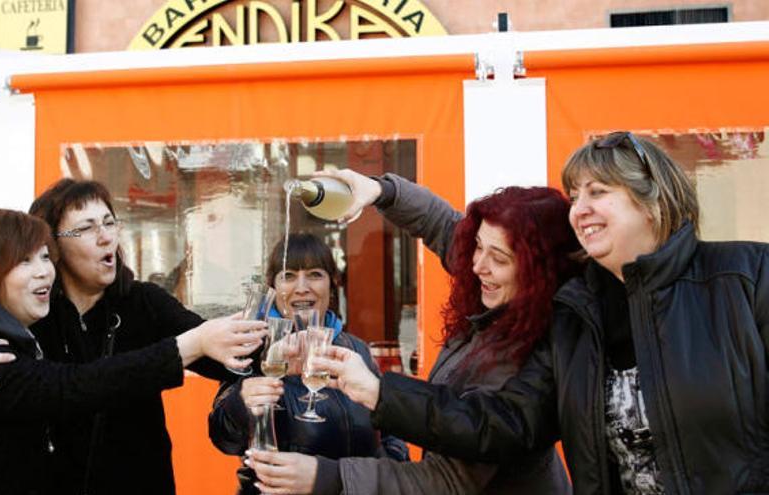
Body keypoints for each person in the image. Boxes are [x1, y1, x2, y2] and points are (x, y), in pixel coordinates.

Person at [306, 132, 769, 494]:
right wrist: (382, 191)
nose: (578, 209)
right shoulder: (575, 313)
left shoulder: (746, 277)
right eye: (574, 194)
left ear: (653, 202)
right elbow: (507, 423)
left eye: (597, 191)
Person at [0, 179, 261, 495]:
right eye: (85, 228)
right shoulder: (23, 316)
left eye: (109, 223)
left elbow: (224, 352)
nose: (106, 237)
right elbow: (71, 386)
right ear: (55, 245)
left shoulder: (144, 302)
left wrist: (278, 353)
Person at [248, 172, 577, 494]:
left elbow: (447, 480)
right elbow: (443, 224)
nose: (477, 266)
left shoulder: (523, 356)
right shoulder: (499, 295)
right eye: (478, 246)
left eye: (499, 258)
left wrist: (329, 477)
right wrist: (381, 190)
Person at [209, 233, 409, 494]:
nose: (301, 287)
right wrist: (241, 401)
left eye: (315, 274)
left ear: (332, 283)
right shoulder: (253, 349)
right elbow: (224, 438)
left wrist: (385, 472)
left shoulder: (355, 348)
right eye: (288, 276)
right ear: (273, 287)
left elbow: (391, 428)